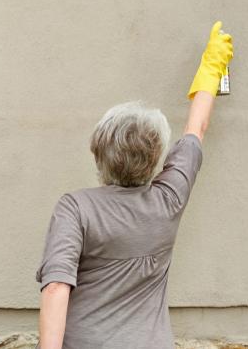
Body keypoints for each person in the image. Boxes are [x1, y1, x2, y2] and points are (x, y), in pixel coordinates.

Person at [36, 22, 234, 348]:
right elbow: (196, 129)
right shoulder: (169, 199)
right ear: (156, 157)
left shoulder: (75, 208)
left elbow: (57, 286)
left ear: (97, 151)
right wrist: (212, 67)